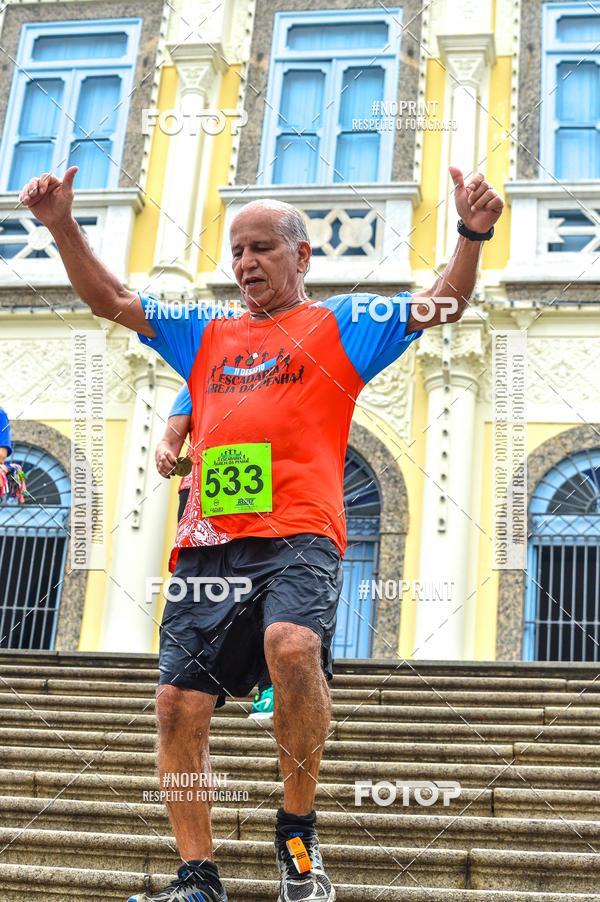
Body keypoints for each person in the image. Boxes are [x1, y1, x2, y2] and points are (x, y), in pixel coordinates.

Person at [19, 163, 503, 902]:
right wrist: (59, 225)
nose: (245, 263)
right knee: (177, 706)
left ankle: (297, 831)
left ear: (301, 257)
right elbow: (113, 299)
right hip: (210, 543)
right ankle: (196, 877)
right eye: (237, 252)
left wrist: (470, 233)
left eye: (262, 249)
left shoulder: (342, 324)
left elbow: (443, 304)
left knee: (292, 645)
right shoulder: (207, 334)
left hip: (302, 534)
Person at [156, 384, 275, 724]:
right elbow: (173, 435)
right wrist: (166, 450)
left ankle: (270, 685)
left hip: (269, 489)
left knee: (265, 589)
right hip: (202, 492)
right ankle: (205, 677)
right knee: (204, 590)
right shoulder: (201, 368)